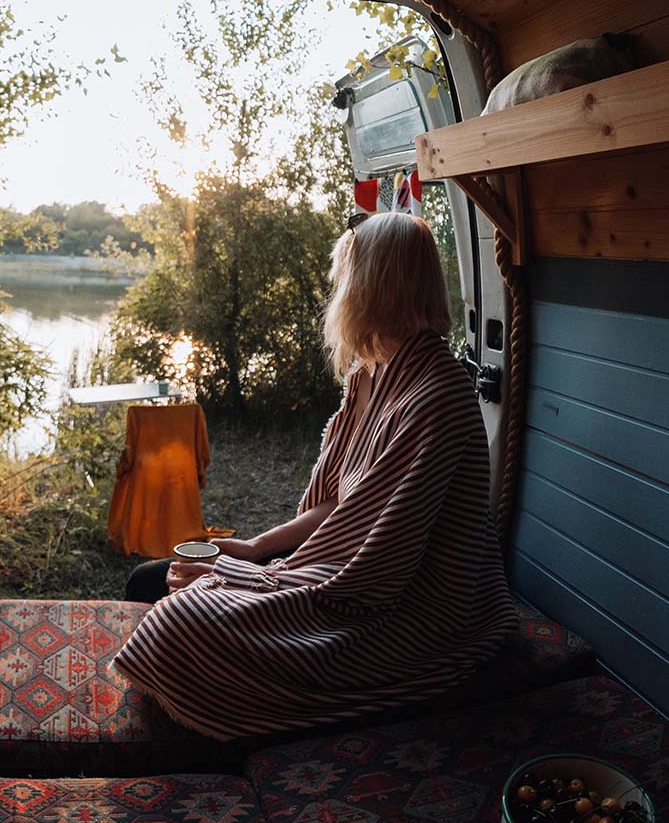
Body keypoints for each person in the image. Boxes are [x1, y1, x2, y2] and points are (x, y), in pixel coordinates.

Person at [111, 211, 517, 740]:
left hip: (413, 612)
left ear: (376, 285)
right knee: (155, 581)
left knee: (180, 620)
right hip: (342, 569)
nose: (339, 293)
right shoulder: (369, 374)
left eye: (347, 277)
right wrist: (256, 549)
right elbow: (341, 508)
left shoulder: (438, 394)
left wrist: (263, 580)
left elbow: (378, 569)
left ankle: (210, 728)